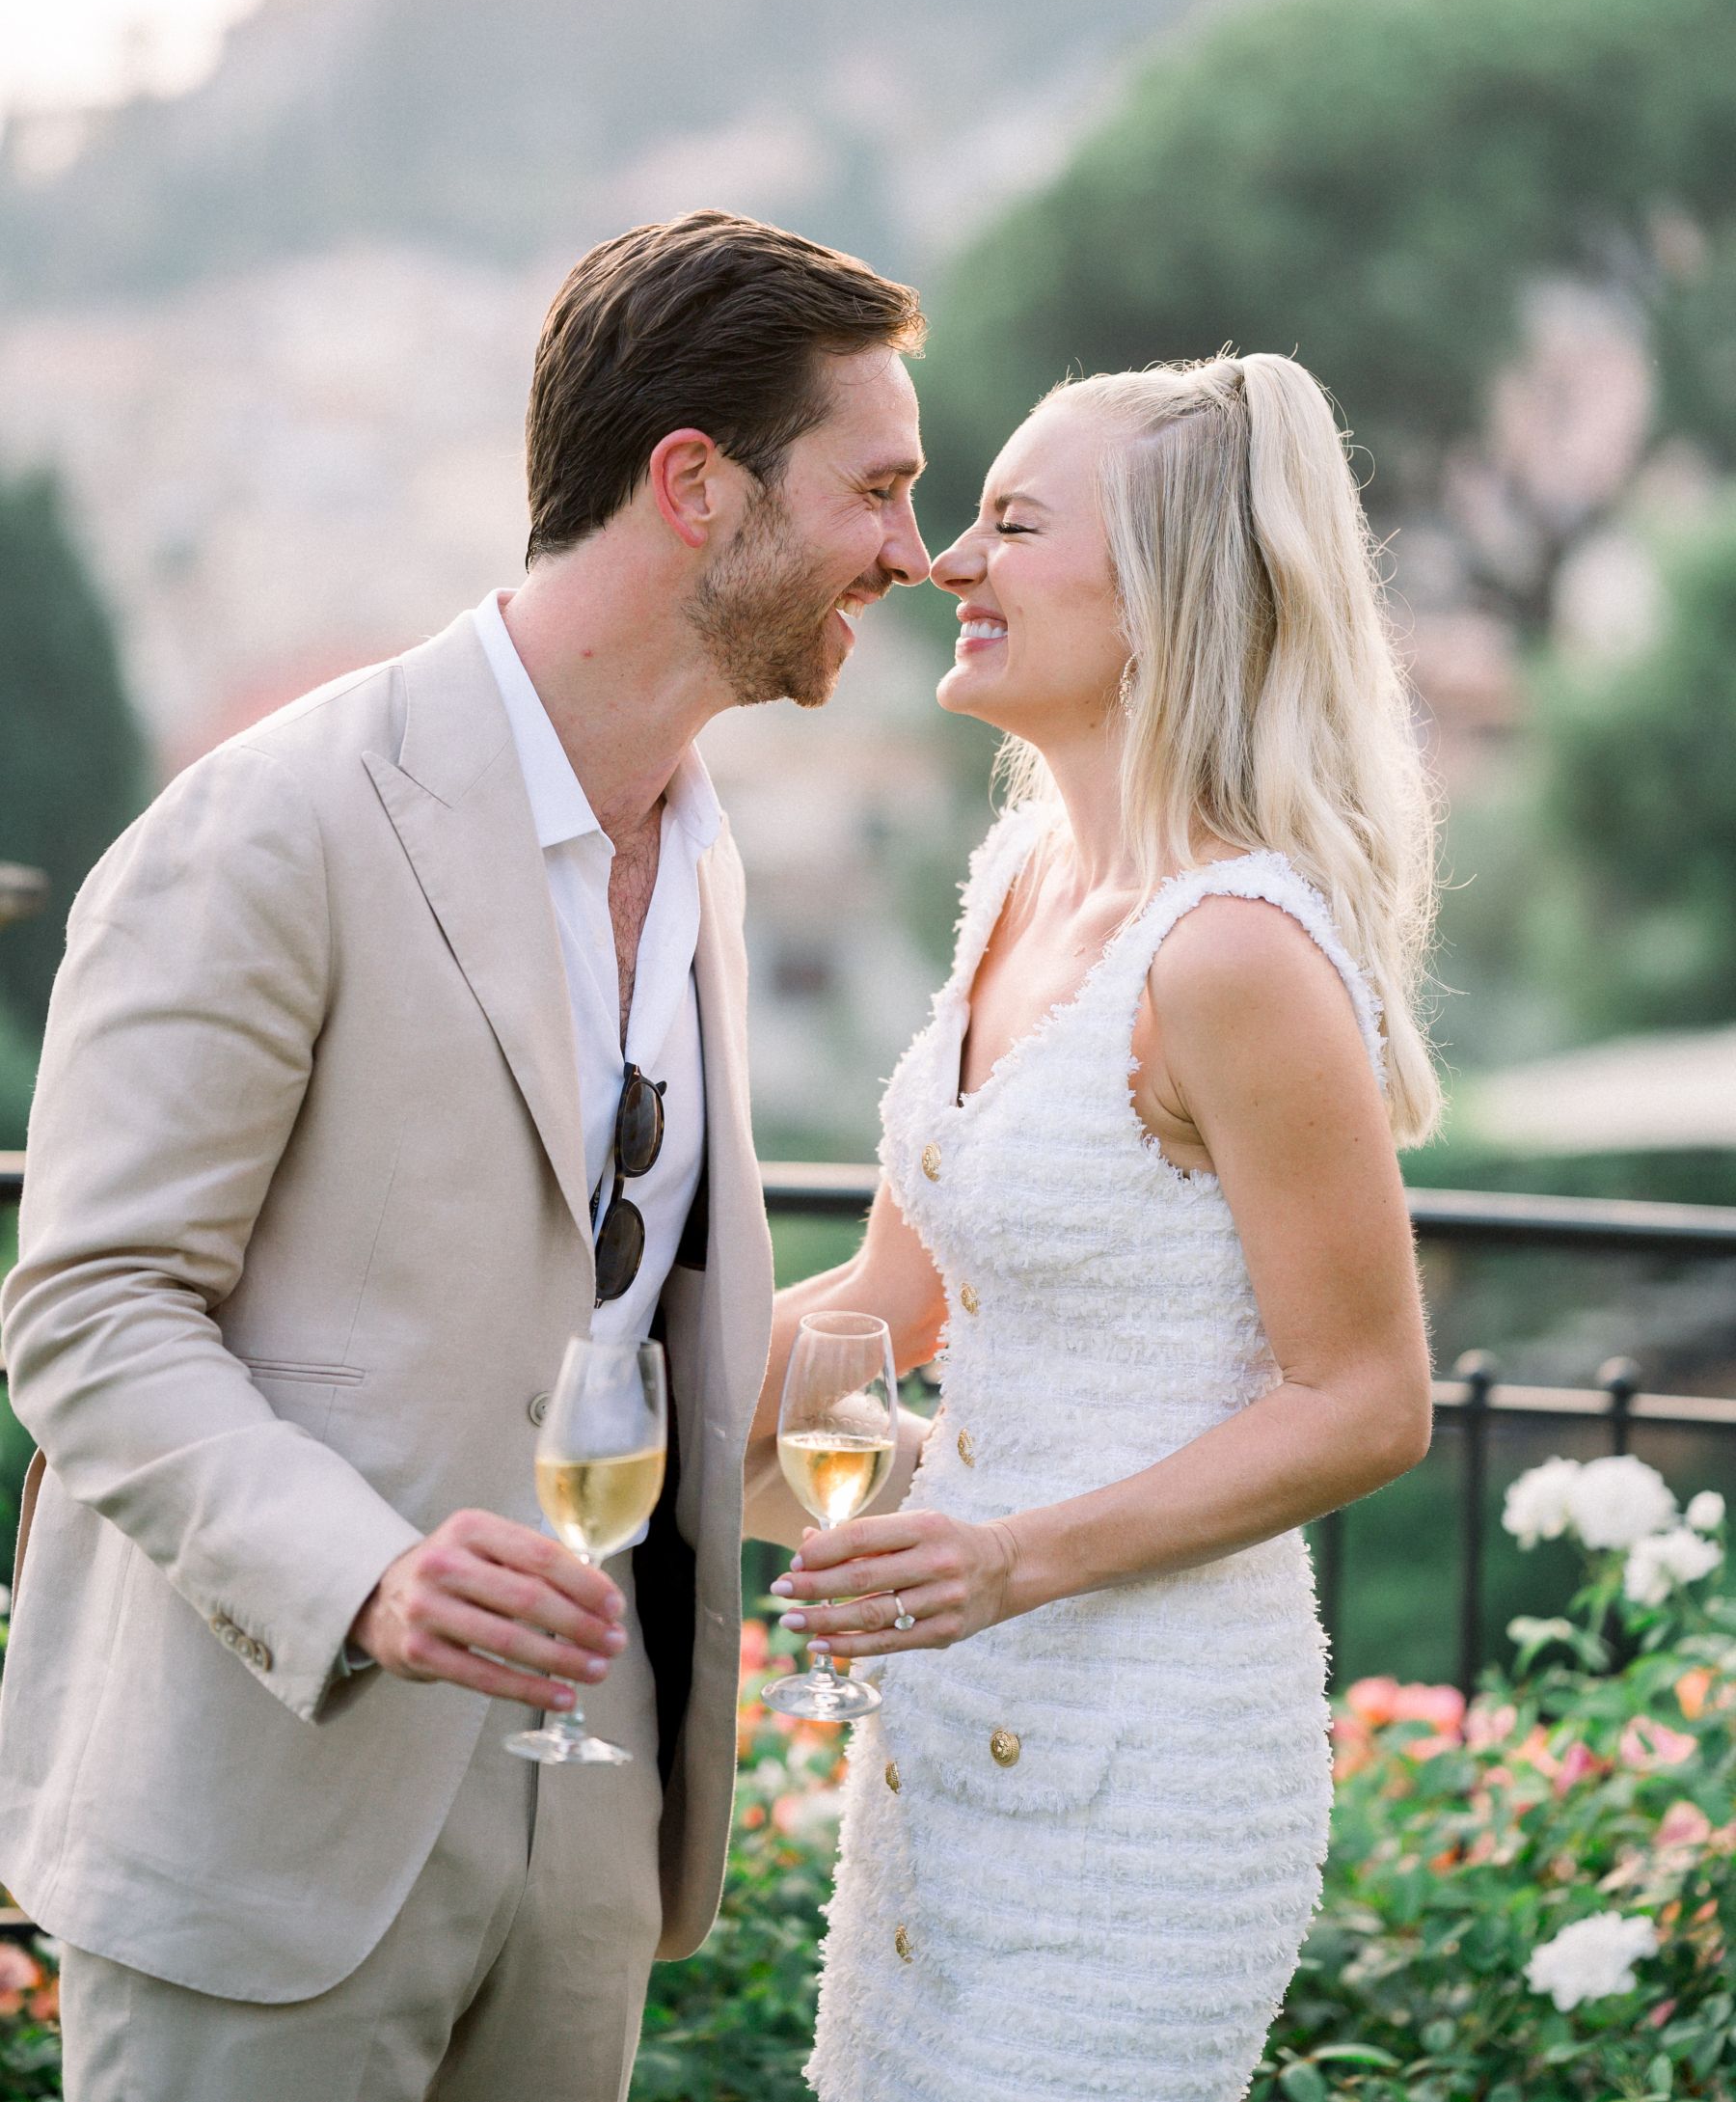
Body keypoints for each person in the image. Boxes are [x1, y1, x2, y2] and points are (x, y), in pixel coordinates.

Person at [0, 209, 932, 2102]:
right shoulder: (265, 826)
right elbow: (93, 1311)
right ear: (696, 485)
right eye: (879, 488)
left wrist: (955, 1481)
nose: (912, 551)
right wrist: (366, 1577)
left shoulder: (710, 861)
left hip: (592, 1833)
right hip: (268, 1826)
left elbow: (615, 1327)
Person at [754, 354, 1440, 2102]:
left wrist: (1002, 1559)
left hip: (1147, 1769)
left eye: (1010, 522)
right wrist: (582, 1394)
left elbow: (1367, 1400)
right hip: (947, 1746)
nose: (946, 562)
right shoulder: (1020, 881)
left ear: (1167, 599)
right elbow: (887, 1304)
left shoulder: (1236, 951)